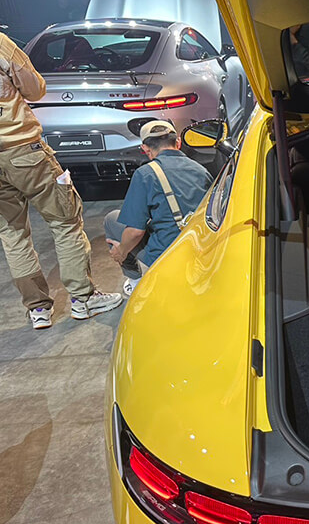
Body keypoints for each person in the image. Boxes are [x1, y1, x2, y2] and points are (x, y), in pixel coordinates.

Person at [0, 31, 122, 329]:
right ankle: (83, 299)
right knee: (65, 221)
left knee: (12, 233)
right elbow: (35, 90)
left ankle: (38, 309)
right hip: (22, 150)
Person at [105, 121, 212, 295]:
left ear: (145, 149)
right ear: (178, 143)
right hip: (201, 249)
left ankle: (135, 281)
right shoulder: (201, 170)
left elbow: (135, 232)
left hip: (167, 254)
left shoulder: (145, 174)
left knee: (112, 219)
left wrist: (121, 252)